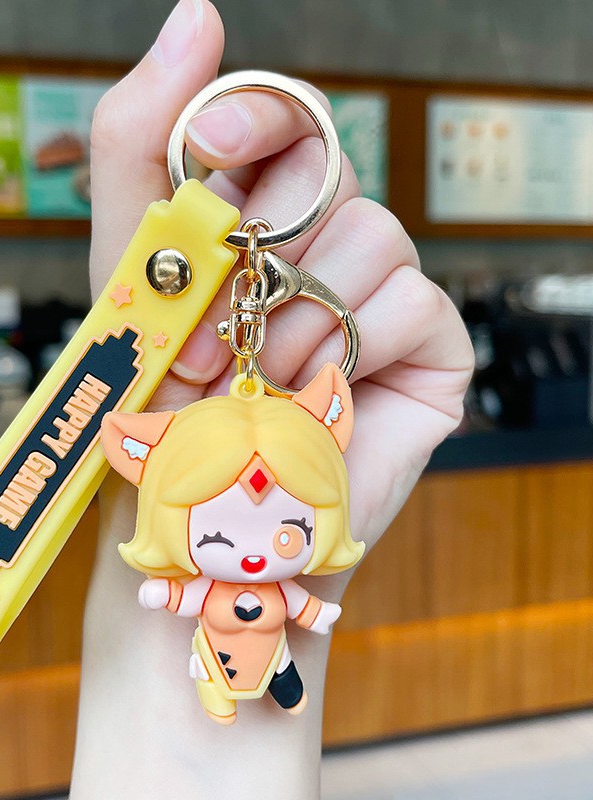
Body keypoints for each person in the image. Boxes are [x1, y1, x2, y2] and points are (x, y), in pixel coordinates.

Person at [71, 1, 474, 797]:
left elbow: (282, 598)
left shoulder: (275, 578)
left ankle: (257, 685)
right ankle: (229, 691)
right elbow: (170, 589)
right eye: (222, 531)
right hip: (207, 653)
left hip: (257, 652)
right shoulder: (214, 575)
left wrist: (309, 612)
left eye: (289, 528)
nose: (255, 551)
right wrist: (151, 619)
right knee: (217, 674)